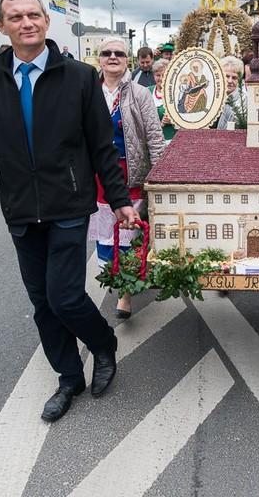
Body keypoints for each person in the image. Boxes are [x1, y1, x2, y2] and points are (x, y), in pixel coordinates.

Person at [0, 0, 137, 423]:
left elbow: (101, 146)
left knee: (66, 296)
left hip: (69, 204)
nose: (26, 22)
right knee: (43, 302)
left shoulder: (79, 77)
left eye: (33, 14)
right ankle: (68, 377)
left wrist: (120, 199)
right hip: (20, 210)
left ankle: (103, 344)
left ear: (46, 22)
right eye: (15, 17)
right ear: (2, 26)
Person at [89, 37, 165, 320]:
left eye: (118, 53)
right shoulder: (87, 92)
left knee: (129, 232)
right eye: (106, 53)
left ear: (127, 60)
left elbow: (155, 139)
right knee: (107, 234)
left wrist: (158, 178)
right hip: (96, 176)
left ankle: (126, 293)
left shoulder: (140, 94)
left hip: (129, 172)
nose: (112, 57)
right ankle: (114, 276)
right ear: (99, 59)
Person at [148, 59, 177, 143]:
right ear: (153, 76)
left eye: (164, 75)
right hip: (153, 142)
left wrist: (174, 121)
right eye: (157, 75)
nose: (161, 78)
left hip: (173, 141)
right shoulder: (147, 92)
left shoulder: (177, 93)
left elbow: (187, 119)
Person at [217, 55, 246, 129]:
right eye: (227, 76)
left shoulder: (243, 103)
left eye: (234, 78)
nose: (230, 81)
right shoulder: (212, 99)